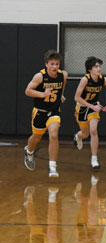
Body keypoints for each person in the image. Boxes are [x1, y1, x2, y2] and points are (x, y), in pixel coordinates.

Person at [24, 50, 68, 178]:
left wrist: (61, 94)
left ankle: (52, 167)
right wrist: (43, 94)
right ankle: (29, 151)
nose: (55, 67)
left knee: (53, 134)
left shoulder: (63, 75)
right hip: (40, 111)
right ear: (46, 64)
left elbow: (62, 85)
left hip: (54, 111)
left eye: (57, 64)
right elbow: (28, 91)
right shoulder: (40, 76)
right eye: (52, 64)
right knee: (36, 138)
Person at [72, 57, 106, 170]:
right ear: (90, 69)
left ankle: (94, 159)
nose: (99, 68)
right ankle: (78, 136)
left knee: (93, 130)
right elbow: (76, 97)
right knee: (85, 134)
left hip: (94, 106)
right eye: (96, 66)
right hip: (82, 107)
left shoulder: (103, 80)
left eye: (99, 66)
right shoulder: (85, 80)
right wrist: (91, 106)